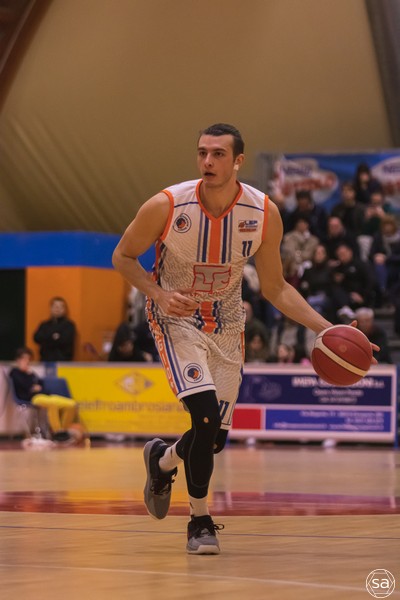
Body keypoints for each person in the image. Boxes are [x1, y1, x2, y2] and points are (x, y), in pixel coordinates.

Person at [112, 123, 378, 555]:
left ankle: (162, 461)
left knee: (213, 439)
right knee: (203, 417)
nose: (207, 161)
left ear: (238, 161)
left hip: (228, 324)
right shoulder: (167, 205)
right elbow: (122, 256)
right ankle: (199, 520)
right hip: (176, 319)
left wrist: (326, 329)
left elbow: (276, 288)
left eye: (218, 154)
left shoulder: (262, 212)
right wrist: (157, 293)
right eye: (202, 152)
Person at [9, 347, 78, 439]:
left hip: (44, 396)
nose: (27, 361)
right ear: (18, 360)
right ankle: (57, 432)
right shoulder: (15, 373)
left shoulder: (31, 373)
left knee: (72, 404)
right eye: (24, 359)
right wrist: (33, 386)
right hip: (32, 398)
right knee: (52, 404)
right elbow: (27, 387)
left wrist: (34, 383)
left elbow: (40, 385)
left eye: (28, 359)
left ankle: (63, 431)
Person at [33, 297, 76, 362]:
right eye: (55, 306)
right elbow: (36, 338)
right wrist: (53, 336)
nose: (57, 309)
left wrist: (48, 339)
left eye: (60, 307)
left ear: (64, 309)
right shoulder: (44, 325)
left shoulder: (69, 325)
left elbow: (65, 340)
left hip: (63, 361)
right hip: (46, 360)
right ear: (51, 308)